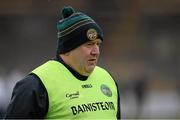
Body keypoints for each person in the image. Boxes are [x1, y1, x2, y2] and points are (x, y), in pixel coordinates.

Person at [4, 6, 121, 119]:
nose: (96, 51)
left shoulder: (107, 79)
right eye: (89, 44)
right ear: (68, 49)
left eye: (98, 44)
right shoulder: (36, 85)